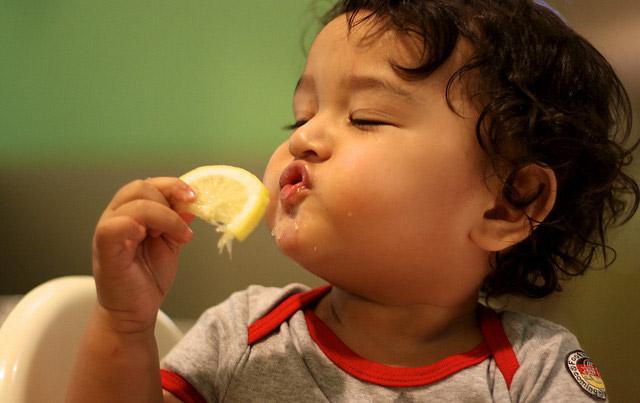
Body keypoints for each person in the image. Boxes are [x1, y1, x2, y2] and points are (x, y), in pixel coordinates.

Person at [66, 0, 639, 401]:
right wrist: (124, 325)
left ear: (508, 204)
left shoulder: (536, 374)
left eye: (365, 117)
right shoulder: (242, 335)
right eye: (302, 114)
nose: (302, 137)